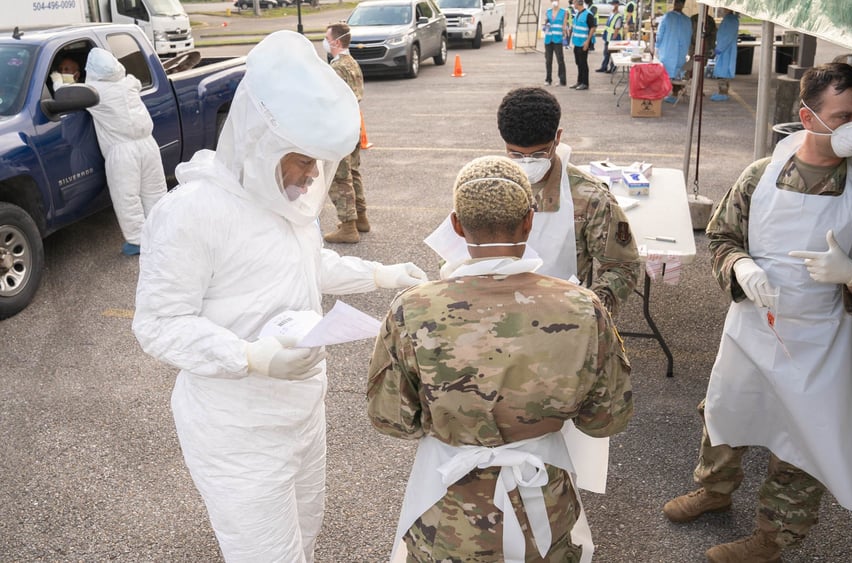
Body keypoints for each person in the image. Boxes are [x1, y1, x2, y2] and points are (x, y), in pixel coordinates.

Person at [131, 31, 428, 563]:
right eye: (303, 159)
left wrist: (383, 274)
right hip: (236, 431)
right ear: (259, 142)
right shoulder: (192, 212)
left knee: (305, 540)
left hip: (302, 414)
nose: (312, 173)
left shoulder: (283, 199)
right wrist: (248, 357)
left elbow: (310, 264)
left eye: (319, 161)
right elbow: (158, 324)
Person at [662, 63, 852, 562]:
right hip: (753, 327)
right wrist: (740, 266)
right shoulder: (761, 176)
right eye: (843, 116)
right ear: (807, 116)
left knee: (801, 439)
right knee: (725, 412)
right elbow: (721, 236)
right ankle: (714, 490)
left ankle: (773, 539)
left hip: (821, 342)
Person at [368, 155, 634, 562]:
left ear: (457, 225)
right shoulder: (583, 308)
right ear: (529, 221)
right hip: (543, 499)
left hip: (446, 507)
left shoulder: (413, 309)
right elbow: (607, 418)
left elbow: (392, 418)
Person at [495, 87, 640, 316]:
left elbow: (623, 265)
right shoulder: (488, 186)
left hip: (561, 317)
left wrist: (591, 313)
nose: (527, 162)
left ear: (557, 138)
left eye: (539, 154)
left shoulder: (588, 197)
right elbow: (454, 254)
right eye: (515, 154)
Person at [84, 48, 168, 256]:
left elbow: (67, 94)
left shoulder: (95, 92)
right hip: (148, 144)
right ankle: (164, 231)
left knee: (127, 196)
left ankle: (138, 241)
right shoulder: (130, 83)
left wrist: (59, 81)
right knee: (155, 191)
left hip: (122, 151)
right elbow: (135, 82)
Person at [322, 22, 370, 244]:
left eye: (327, 38)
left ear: (337, 42)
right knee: (353, 171)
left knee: (340, 177)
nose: (325, 41)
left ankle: (348, 227)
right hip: (353, 125)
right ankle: (361, 218)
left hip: (339, 127)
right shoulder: (352, 64)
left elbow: (328, 99)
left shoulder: (336, 68)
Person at [655, 0, 691, 103]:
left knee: (665, 73)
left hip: (667, 51)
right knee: (677, 75)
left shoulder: (667, 17)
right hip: (680, 53)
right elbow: (689, 36)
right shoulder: (687, 20)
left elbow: (660, 34)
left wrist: (657, 47)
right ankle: (674, 94)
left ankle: (664, 94)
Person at [710, 8, 738, 102]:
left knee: (723, 73)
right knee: (723, 72)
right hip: (725, 50)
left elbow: (726, 38)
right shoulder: (729, 19)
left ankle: (723, 93)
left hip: (725, 51)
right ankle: (723, 92)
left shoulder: (731, 20)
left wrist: (718, 50)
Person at [568, 0, 597, 90]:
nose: (573, 5)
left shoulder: (588, 14)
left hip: (583, 43)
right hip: (577, 42)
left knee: (583, 63)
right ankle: (579, 81)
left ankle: (585, 83)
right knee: (578, 63)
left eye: (574, 3)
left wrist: (587, 41)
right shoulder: (577, 14)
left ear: (578, 3)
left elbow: (593, 27)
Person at [685, 3, 716, 80]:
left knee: (699, 68)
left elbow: (713, 36)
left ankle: (694, 85)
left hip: (703, 48)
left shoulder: (709, 20)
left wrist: (712, 49)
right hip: (696, 47)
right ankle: (686, 82)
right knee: (693, 67)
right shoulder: (694, 19)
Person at [542, 0, 569, 86]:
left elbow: (564, 25)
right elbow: (545, 23)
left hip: (558, 39)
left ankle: (562, 80)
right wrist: (545, 24)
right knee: (548, 60)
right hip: (548, 39)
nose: (555, 1)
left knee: (560, 60)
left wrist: (565, 37)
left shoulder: (564, 12)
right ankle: (548, 79)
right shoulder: (548, 11)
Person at [596, 0, 623, 74]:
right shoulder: (611, 14)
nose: (612, 6)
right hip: (608, 37)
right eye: (612, 4)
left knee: (613, 53)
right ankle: (604, 67)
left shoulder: (618, 16)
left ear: (617, 5)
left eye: (614, 4)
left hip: (613, 38)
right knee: (606, 53)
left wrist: (613, 39)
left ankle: (612, 68)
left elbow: (617, 28)